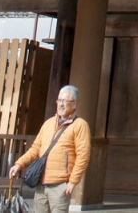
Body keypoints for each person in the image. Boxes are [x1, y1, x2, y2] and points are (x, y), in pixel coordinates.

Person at [9, 85, 92, 213]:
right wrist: (19, 164)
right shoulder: (48, 123)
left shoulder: (80, 125)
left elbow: (83, 156)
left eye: (65, 101)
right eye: (59, 100)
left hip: (60, 185)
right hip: (41, 183)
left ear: (74, 104)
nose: (61, 104)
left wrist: (73, 181)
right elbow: (35, 149)